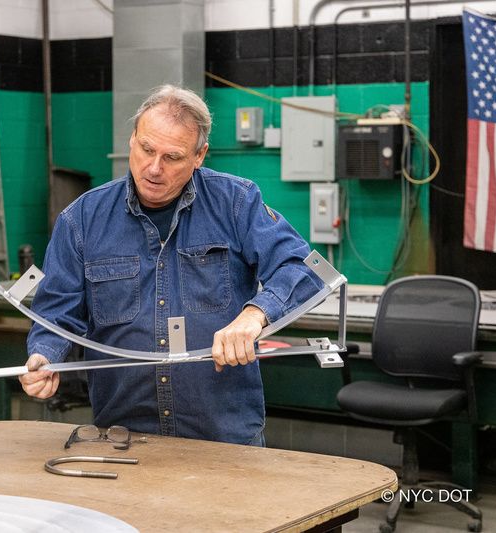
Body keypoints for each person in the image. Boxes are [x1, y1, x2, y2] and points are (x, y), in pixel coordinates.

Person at [20, 85, 323, 445]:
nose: (153, 168)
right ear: (132, 139)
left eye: (173, 157)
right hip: (124, 434)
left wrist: (255, 315)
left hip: (223, 435)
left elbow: (304, 269)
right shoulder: (82, 219)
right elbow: (56, 312)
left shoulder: (237, 202)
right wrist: (44, 355)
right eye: (146, 149)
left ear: (199, 156)